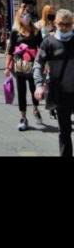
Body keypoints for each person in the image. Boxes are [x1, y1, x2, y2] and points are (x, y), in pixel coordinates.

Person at [34, 9, 74, 157]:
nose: (64, 27)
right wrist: (38, 85)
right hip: (61, 93)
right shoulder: (48, 43)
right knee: (65, 132)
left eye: (68, 24)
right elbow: (38, 64)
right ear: (55, 23)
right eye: (61, 24)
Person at [5, 3, 42, 131]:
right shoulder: (15, 33)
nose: (25, 17)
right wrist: (7, 67)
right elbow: (10, 51)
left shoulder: (36, 31)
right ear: (19, 17)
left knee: (34, 89)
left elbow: (42, 49)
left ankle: (35, 108)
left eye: (27, 14)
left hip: (33, 65)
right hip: (19, 66)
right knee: (21, 92)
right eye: (23, 15)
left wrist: (45, 64)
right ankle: (23, 117)